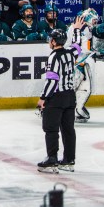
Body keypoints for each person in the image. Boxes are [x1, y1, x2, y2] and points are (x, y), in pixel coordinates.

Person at [36, 28, 77, 174]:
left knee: (51, 129)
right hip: (70, 97)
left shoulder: (53, 57)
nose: (49, 41)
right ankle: (69, 160)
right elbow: (77, 46)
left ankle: (52, 160)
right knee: (68, 130)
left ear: (53, 41)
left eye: (50, 39)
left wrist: (43, 98)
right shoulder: (70, 54)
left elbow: (52, 82)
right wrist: (77, 29)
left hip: (57, 98)